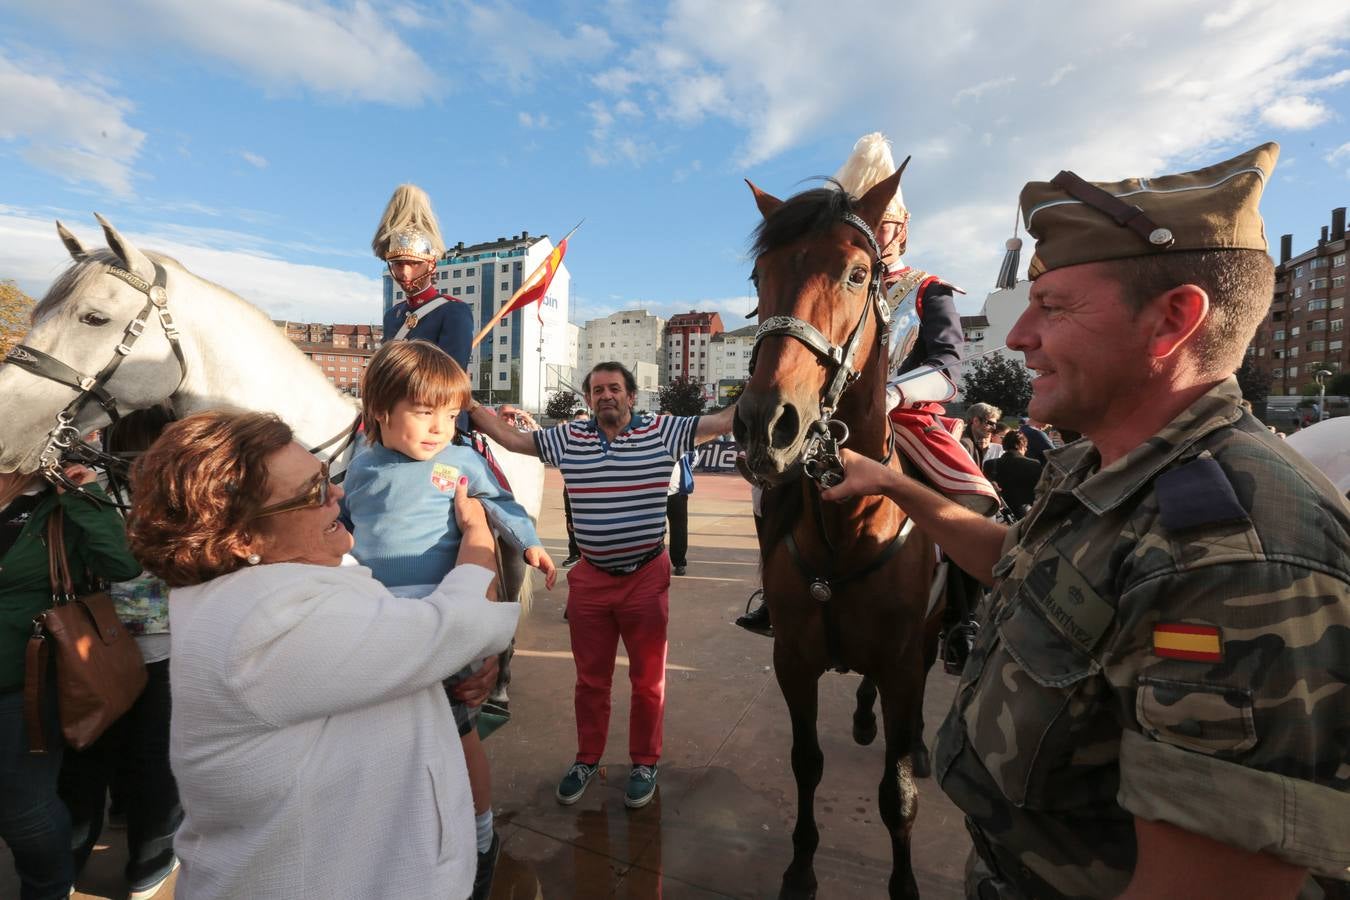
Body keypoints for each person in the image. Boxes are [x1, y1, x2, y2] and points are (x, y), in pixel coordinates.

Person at [817, 142, 1350, 898]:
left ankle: (953, 624)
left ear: (1172, 320)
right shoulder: (1114, 467)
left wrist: (900, 408)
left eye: (1053, 307)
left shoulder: (1240, 559)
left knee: (972, 481)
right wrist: (888, 485)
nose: (1016, 336)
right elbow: (1021, 562)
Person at [126, 410, 519, 900]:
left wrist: (439, 670)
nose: (338, 494)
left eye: (325, 478)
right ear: (242, 538)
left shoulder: (271, 584)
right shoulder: (264, 627)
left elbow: (387, 649)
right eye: (314, 492)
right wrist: (477, 535)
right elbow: (454, 628)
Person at [735, 132, 998, 639]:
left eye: (885, 222)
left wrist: (896, 393)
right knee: (765, 487)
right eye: (867, 221)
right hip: (826, 411)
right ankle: (774, 592)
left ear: (902, 229)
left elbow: (947, 367)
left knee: (973, 494)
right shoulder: (828, 270)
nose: (875, 229)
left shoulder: (927, 287)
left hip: (907, 414)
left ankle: (963, 615)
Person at [469, 362, 735, 810]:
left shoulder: (665, 432)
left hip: (646, 577)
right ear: (589, 399)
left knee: (648, 680)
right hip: (591, 578)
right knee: (590, 681)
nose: (605, 395)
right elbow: (514, 439)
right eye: (596, 390)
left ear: (632, 396)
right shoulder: (569, 438)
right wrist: (469, 405)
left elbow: (724, 421)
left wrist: (773, 376)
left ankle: (644, 762)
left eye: (614, 388)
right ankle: (586, 759)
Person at [341, 340, 554, 900]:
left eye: (452, 414)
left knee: (458, 733)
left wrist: (529, 544)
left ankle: (481, 831)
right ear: (380, 411)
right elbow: (335, 520)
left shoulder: (460, 462)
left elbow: (505, 505)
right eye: (424, 411)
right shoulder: (359, 468)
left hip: (442, 614)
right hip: (377, 619)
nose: (440, 428)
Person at [58, 406, 183, 900]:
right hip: (162, 650)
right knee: (156, 764)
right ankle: (148, 866)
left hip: (95, 651)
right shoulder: (181, 498)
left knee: (89, 760)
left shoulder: (91, 490)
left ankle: (65, 864)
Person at [1, 466, 142, 900]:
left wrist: (83, 496)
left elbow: (123, 563)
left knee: (23, 805)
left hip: (22, 681)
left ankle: (47, 889)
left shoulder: (57, 505)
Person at [373, 184, 474, 370]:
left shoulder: (453, 312)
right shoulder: (392, 316)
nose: (405, 272)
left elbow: (451, 383)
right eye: (398, 264)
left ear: (431, 264)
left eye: (414, 263)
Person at [561, 410, 590, 568]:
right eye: (578, 421)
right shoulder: (568, 442)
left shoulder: (598, 439)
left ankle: (589, 555)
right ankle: (574, 554)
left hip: (592, 488)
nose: (581, 425)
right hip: (572, 486)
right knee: (571, 521)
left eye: (584, 421)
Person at [989, 431, 1040, 520]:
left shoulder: (990, 464)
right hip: (1026, 514)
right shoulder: (1034, 464)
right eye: (1025, 446)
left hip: (999, 515)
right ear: (1021, 445)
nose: (1026, 449)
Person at [666, 451, 695, 577]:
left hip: (677, 492)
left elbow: (692, 459)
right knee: (651, 528)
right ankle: (649, 562)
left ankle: (679, 562)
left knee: (679, 528)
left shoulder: (681, 442)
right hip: (653, 491)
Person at [960, 402, 1004, 471]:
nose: (994, 428)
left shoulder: (970, 442)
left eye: (995, 424)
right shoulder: (964, 444)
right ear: (976, 421)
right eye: (990, 423)